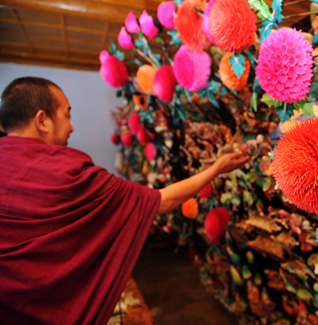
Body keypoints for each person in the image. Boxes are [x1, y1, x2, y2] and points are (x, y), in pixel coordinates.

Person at [0, 77, 249, 324]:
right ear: (43, 120)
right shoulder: (67, 172)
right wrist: (217, 168)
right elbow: (162, 202)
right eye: (67, 115)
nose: (71, 127)